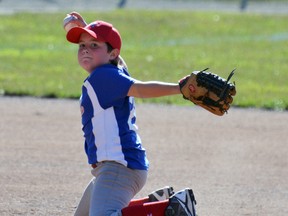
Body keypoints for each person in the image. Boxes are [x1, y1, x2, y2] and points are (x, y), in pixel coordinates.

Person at [65, 15, 197, 216]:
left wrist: (179, 89)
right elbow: (118, 58)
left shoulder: (103, 77)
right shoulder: (116, 69)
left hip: (118, 168)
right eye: (81, 45)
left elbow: (141, 89)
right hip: (117, 167)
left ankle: (167, 211)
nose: (85, 49)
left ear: (112, 53)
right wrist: (88, 30)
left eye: (94, 45)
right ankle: (154, 205)